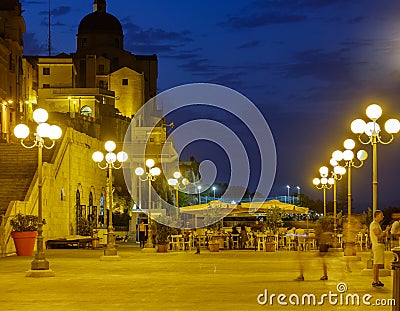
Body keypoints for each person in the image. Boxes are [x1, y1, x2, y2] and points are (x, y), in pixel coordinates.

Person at [370, 210, 391, 287]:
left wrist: (386, 232)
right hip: (377, 246)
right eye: (381, 215)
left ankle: (377, 280)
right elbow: (378, 236)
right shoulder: (374, 225)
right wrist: (386, 230)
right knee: (376, 264)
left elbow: (382, 235)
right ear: (377, 216)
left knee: (377, 264)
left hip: (379, 246)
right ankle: (375, 280)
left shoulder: (377, 224)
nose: (383, 216)